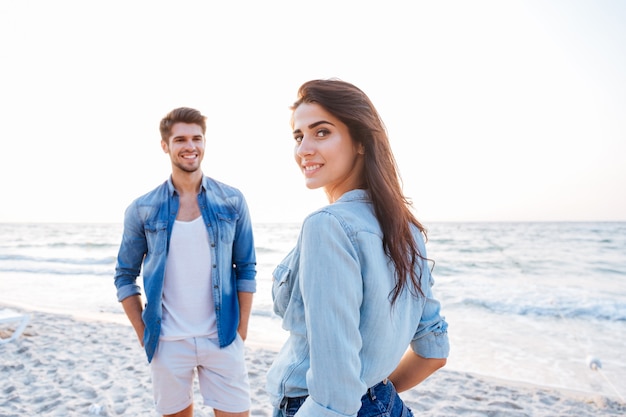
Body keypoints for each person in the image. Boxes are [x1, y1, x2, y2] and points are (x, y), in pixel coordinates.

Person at [266, 80, 450, 417]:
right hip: (388, 404)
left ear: (361, 141)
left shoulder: (327, 225)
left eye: (321, 132)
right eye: (298, 136)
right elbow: (433, 352)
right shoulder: (406, 228)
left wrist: (354, 393)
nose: (304, 148)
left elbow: (333, 398)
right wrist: (371, 392)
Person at [114, 107, 256, 417]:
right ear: (165, 145)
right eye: (180, 139)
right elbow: (125, 276)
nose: (190, 146)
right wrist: (144, 333)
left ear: (205, 142)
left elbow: (246, 268)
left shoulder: (232, 200)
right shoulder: (143, 208)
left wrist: (241, 330)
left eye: (197, 138)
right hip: (168, 342)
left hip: (223, 337)